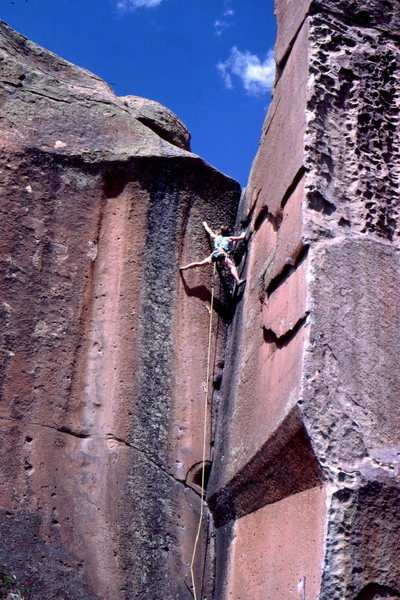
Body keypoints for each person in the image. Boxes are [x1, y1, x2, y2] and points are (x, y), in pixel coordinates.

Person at [179, 221, 246, 284]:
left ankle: (184, 268)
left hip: (214, 254)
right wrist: (243, 233)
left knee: (200, 263)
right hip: (222, 254)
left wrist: (205, 224)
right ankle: (238, 281)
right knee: (232, 267)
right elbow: (241, 237)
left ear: (221, 231)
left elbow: (210, 231)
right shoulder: (228, 238)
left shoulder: (216, 237)